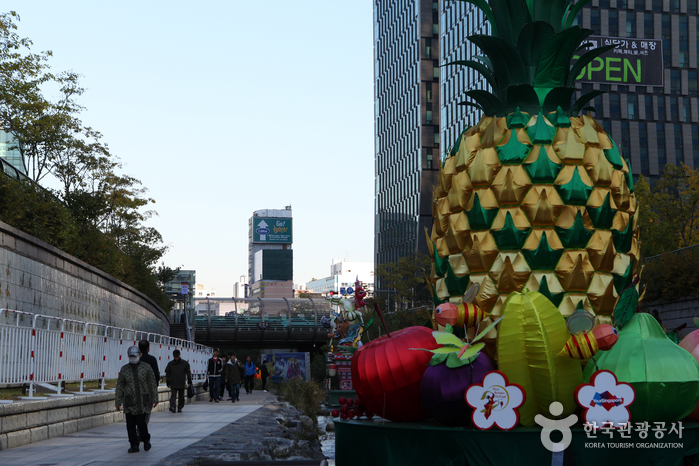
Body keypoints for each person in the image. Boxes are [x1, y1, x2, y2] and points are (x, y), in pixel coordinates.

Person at [115, 346, 158, 453]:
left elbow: (152, 383)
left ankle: (146, 439)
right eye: (131, 356)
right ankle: (134, 444)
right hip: (129, 402)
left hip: (143, 401)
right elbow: (120, 386)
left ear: (139, 355)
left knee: (141, 423)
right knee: (130, 425)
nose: (133, 358)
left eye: (134, 356)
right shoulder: (124, 369)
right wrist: (118, 401)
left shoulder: (146, 367)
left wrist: (155, 398)